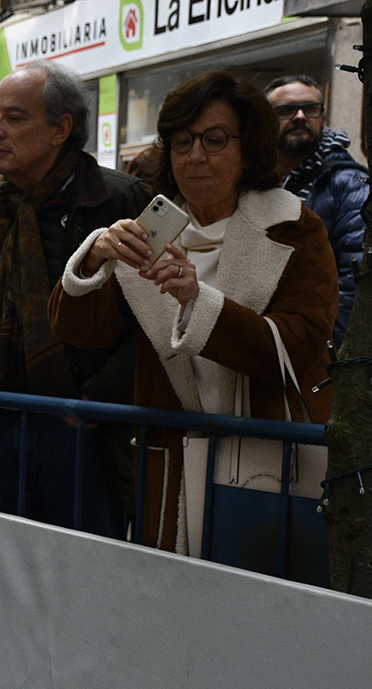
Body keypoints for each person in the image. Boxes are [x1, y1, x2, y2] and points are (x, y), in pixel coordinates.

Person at [49, 69, 337, 552]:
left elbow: (302, 342)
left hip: (269, 453)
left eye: (215, 139)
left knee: (259, 603)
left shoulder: (293, 228)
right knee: (175, 603)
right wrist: (96, 254)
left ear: (250, 150)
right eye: (181, 142)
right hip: (173, 461)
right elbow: (81, 331)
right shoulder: (154, 232)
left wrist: (198, 302)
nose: (195, 155)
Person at [0, 60, 150, 537]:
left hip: (86, 428)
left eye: (14, 118)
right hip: (4, 421)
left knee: (83, 577)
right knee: (20, 569)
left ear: (61, 128)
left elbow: (156, 323)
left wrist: (93, 403)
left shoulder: (120, 200)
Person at [265, 74, 368, 348]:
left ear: (322, 119)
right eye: (286, 110)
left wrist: (328, 352)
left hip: (315, 352)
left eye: (310, 109)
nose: (300, 117)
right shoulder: (258, 183)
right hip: (270, 342)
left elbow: (355, 277)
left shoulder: (347, 182)